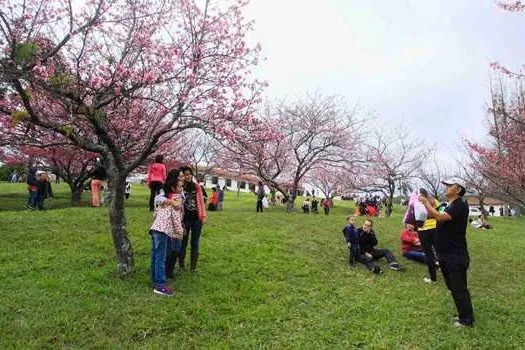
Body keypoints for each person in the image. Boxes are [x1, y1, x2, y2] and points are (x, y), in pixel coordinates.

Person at [419, 177, 474, 328]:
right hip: (444, 253)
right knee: (452, 287)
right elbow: (433, 214)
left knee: (459, 288)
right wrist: (427, 201)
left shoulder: (460, 205)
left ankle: (467, 320)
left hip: (455, 255)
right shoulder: (445, 204)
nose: (446, 187)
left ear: (458, 189)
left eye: (450, 185)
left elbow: (439, 217)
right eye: (446, 185)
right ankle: (463, 314)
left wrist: (425, 202)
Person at [149, 169, 185, 297]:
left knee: (155, 255)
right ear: (173, 187)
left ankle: (155, 281)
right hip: (164, 230)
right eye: (180, 186)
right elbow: (176, 218)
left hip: (155, 228)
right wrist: (180, 232)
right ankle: (160, 285)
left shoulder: (164, 197)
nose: (182, 189)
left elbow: (155, 211)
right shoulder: (176, 199)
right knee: (161, 257)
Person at [179, 166, 207, 272]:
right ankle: (181, 266)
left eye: (190, 174)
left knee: (195, 242)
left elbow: (202, 201)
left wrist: (203, 215)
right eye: (186, 174)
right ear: (182, 176)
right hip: (184, 219)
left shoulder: (197, 187)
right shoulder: (180, 187)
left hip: (196, 219)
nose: (188, 176)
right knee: (183, 243)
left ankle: (193, 267)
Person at [418, 188, 439, 284]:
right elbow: (440, 212)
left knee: (429, 254)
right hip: (436, 228)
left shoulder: (418, 202)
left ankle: (433, 278)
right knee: (440, 251)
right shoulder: (434, 200)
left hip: (423, 229)